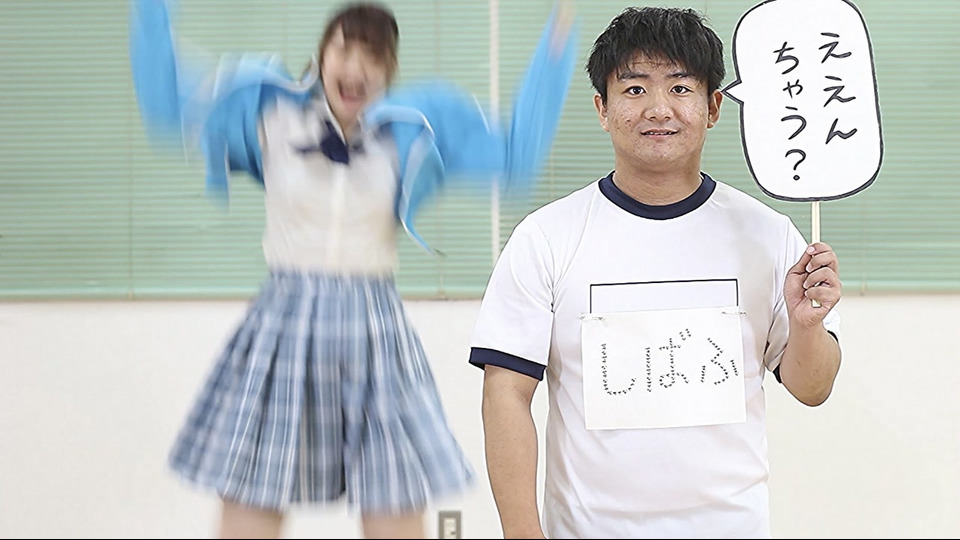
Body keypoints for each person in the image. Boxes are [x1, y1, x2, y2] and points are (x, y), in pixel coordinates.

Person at [128, 0, 577, 538]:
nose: (356, 66)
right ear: (322, 55)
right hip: (283, 320)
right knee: (250, 497)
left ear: (389, 70)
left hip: (372, 324)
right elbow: (166, 102)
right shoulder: (270, 111)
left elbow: (516, 154)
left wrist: (560, 33)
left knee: (394, 501)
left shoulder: (411, 130)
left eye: (374, 55)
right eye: (344, 49)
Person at [468, 6, 842, 539]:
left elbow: (813, 388)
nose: (659, 109)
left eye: (681, 88)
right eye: (635, 89)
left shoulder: (770, 234)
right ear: (602, 108)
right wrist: (522, 533)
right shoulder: (546, 238)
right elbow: (505, 393)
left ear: (714, 107)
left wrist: (807, 326)